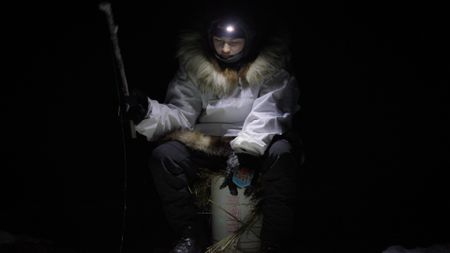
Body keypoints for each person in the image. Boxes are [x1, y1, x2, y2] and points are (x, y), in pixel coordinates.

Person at [124, 10, 303, 253]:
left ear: (249, 41)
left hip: (255, 143)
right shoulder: (196, 68)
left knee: (283, 153)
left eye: (234, 42)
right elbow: (180, 114)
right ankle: (190, 234)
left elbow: (271, 112)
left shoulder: (272, 69)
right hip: (208, 144)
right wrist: (147, 112)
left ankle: (273, 242)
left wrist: (246, 151)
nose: (225, 49)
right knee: (165, 156)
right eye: (219, 42)